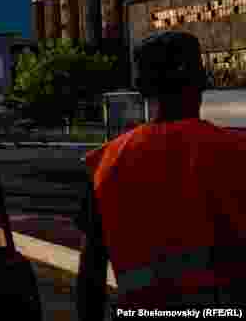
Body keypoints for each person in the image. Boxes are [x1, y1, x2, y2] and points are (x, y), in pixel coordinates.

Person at [75, 31, 246, 319]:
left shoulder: (105, 163)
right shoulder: (237, 151)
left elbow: (89, 277)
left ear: (141, 88)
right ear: (200, 84)